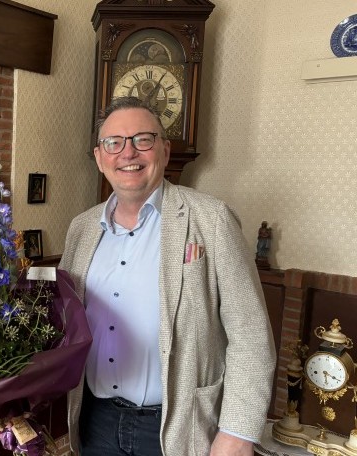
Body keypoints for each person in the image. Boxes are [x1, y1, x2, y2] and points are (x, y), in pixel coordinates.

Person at [59, 97, 276, 455]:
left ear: (164, 148)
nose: (128, 153)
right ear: (99, 157)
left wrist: (238, 431)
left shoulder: (212, 219)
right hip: (94, 421)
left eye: (142, 139)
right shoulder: (81, 228)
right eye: (114, 143)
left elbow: (250, 333)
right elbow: (65, 324)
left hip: (178, 427)